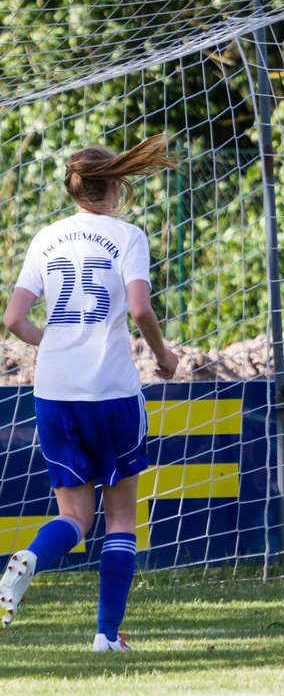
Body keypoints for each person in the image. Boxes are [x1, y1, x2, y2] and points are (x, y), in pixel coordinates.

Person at [0, 134, 180, 652]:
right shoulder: (127, 236)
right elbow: (142, 309)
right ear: (117, 185)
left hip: (54, 389)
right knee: (120, 516)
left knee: (72, 518)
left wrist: (54, 342)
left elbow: (13, 318)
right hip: (110, 390)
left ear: (73, 188)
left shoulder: (46, 238)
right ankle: (105, 635)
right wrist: (164, 357)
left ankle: (30, 558)